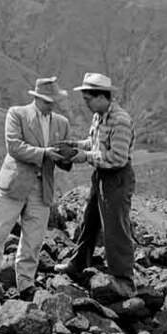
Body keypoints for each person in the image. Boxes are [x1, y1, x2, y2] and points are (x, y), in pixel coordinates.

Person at [0, 77, 73, 301]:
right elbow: (14, 146)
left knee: (34, 240)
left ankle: (26, 283)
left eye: (54, 101)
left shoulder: (62, 123)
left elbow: (64, 154)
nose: (52, 105)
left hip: (42, 187)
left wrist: (69, 158)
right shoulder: (17, 114)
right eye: (48, 101)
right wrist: (45, 153)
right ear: (37, 98)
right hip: (14, 185)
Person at [55, 72, 137, 297]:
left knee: (115, 228)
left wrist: (85, 157)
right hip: (101, 176)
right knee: (89, 221)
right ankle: (78, 264)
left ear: (102, 96)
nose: (86, 104)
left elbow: (117, 158)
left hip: (117, 178)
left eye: (88, 99)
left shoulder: (120, 120)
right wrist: (75, 145)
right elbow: (94, 143)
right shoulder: (99, 117)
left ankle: (123, 280)